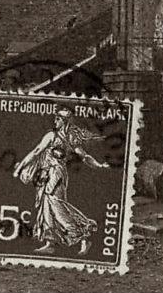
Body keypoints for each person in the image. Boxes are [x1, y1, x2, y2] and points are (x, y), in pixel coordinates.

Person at [12, 107, 108, 255]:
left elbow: (85, 156)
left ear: (64, 122)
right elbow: (37, 151)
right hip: (46, 175)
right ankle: (50, 242)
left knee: (57, 206)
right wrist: (21, 167)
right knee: (46, 207)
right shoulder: (53, 135)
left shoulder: (67, 138)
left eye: (58, 119)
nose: (54, 121)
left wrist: (99, 165)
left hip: (56, 175)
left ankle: (83, 235)